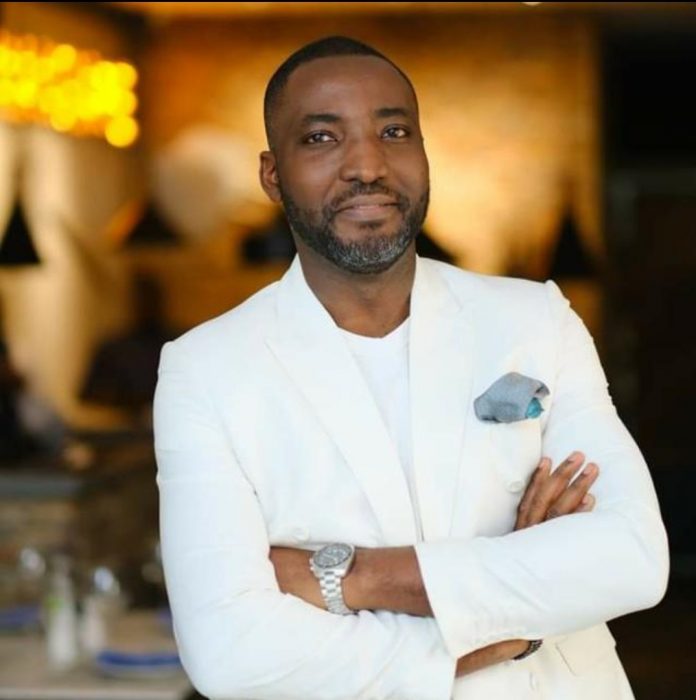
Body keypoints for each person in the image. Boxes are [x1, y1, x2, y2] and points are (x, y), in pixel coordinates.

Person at [154, 36, 668, 700]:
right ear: (273, 175)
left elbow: (633, 559)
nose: (367, 165)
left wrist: (354, 577)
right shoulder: (206, 370)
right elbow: (230, 653)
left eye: (393, 131)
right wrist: (515, 617)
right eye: (321, 138)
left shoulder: (535, 319)